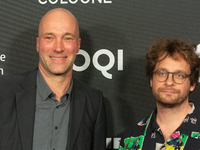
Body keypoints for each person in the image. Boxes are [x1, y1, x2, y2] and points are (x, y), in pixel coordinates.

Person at [0, 8, 106, 150]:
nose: (58, 47)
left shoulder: (94, 101)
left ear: (78, 45)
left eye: (67, 38)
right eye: (49, 37)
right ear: (38, 44)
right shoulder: (4, 92)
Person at [119, 38, 200, 150]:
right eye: (162, 73)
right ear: (151, 80)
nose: (169, 82)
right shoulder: (131, 138)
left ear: (192, 84)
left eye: (179, 75)